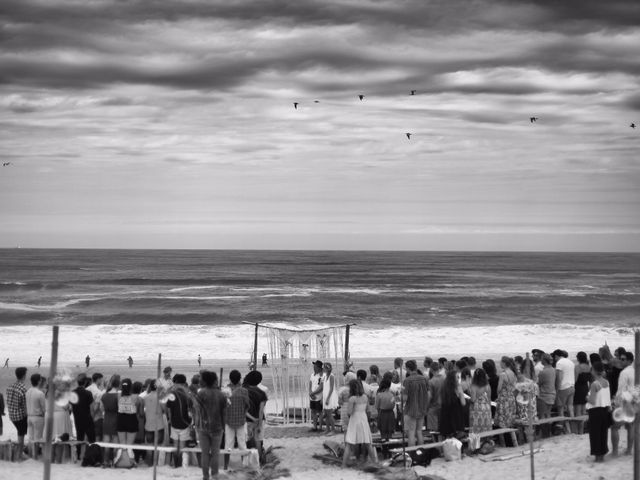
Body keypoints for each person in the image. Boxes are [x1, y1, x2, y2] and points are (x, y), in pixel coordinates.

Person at [192, 370, 226, 480]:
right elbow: (224, 414)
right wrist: (224, 427)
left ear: (205, 381)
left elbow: (197, 411)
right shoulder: (221, 394)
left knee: (205, 454)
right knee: (215, 454)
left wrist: (196, 425)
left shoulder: (201, 393)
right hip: (217, 427)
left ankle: (205, 477)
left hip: (203, 427)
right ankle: (215, 476)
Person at [342, 379, 377, 467]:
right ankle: (375, 462)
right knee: (368, 442)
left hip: (354, 420)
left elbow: (349, 412)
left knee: (349, 442)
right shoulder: (365, 397)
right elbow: (368, 410)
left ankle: (343, 465)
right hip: (363, 419)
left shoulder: (352, 399)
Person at [223, 370, 251, 469]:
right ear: (240, 379)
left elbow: (223, 406)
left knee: (228, 445)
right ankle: (245, 465)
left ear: (230, 379)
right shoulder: (244, 391)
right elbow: (247, 406)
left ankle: (226, 465)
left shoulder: (225, 391)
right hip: (241, 420)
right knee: (242, 444)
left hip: (228, 420)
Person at [165, 374, 192, 468]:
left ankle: (176, 465)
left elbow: (168, 409)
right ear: (184, 383)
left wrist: (169, 419)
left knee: (176, 447)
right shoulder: (188, 395)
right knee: (183, 448)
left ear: (175, 383)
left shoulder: (172, 394)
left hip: (174, 423)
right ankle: (182, 466)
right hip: (185, 423)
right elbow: (191, 410)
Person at [586, 361, 611, 463]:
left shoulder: (594, 384)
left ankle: (597, 457)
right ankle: (603, 455)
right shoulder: (606, 382)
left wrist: (586, 397)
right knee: (603, 433)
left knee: (595, 434)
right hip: (605, 410)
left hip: (595, 411)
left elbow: (592, 400)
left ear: (594, 371)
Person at [611, 351, 634, 457]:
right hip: (635, 402)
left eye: (623, 359)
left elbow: (620, 390)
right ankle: (629, 450)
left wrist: (616, 402)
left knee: (615, 427)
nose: (621, 361)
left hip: (625, 402)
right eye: (620, 358)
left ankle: (615, 452)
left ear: (629, 360)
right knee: (630, 426)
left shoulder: (624, 373)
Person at [402, 360, 429, 447]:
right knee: (419, 431)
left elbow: (405, 398)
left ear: (408, 368)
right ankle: (421, 452)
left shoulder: (407, 380)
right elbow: (428, 393)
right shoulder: (424, 378)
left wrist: (399, 396)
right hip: (422, 408)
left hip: (411, 409)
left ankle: (412, 453)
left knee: (411, 433)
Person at [243, 370, 267, 457]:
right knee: (258, 441)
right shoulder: (262, 393)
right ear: (259, 381)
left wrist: (252, 418)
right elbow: (261, 411)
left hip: (247, 420)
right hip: (259, 420)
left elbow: (243, 409)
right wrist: (259, 423)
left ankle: (248, 461)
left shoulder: (244, 391)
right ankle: (259, 461)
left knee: (247, 441)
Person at [6, 367, 28, 461]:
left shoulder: (10, 386)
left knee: (20, 432)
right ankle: (20, 454)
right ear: (24, 375)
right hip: (20, 416)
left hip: (11, 415)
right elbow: (24, 405)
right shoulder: (23, 388)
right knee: (21, 433)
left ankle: (20, 452)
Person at [115, 378, 138, 466]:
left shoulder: (118, 395)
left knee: (122, 445)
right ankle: (130, 462)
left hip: (121, 419)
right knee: (129, 446)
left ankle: (120, 461)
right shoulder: (135, 396)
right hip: (131, 419)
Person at [142, 380, 165, 466]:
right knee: (157, 446)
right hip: (158, 424)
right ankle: (155, 464)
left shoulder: (146, 397)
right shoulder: (160, 397)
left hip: (148, 424)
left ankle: (150, 464)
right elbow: (164, 409)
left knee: (150, 445)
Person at [72, 373, 95, 458]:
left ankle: (78, 455)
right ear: (85, 382)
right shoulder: (88, 393)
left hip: (77, 417)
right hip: (87, 417)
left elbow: (71, 406)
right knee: (91, 438)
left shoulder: (73, 393)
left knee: (79, 437)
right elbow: (92, 408)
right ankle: (92, 454)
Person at [439, 370, 466, 438]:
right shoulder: (458, 388)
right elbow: (463, 403)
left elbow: (439, 402)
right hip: (456, 416)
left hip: (445, 416)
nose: (458, 379)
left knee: (447, 437)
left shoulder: (443, 388)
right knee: (458, 436)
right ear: (453, 379)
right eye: (457, 377)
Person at [101, 374, 121, 466]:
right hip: (116, 419)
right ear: (118, 384)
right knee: (115, 442)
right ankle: (114, 461)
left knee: (106, 442)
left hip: (106, 419)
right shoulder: (118, 396)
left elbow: (102, 409)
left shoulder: (104, 395)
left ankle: (105, 461)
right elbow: (120, 409)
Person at [553, 349, 575, 429]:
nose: (554, 359)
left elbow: (559, 377)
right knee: (570, 407)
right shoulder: (570, 362)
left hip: (563, 387)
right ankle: (573, 425)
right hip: (572, 386)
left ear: (556, 356)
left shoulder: (559, 363)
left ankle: (561, 425)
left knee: (560, 407)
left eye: (554, 357)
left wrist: (557, 389)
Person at [25, 373, 46, 457]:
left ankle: (31, 454)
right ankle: (35, 455)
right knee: (38, 437)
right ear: (39, 381)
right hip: (38, 417)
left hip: (29, 416)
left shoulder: (28, 391)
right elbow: (44, 408)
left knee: (31, 437)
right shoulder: (40, 393)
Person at [495, 356, 517, 429]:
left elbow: (499, 388)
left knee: (502, 419)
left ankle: (504, 438)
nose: (500, 364)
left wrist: (498, 396)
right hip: (511, 397)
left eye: (501, 362)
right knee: (510, 418)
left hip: (503, 399)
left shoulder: (503, 374)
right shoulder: (513, 373)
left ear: (504, 363)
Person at [469, 368, 492, 435]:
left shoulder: (473, 386)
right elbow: (489, 398)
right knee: (486, 426)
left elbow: (473, 399)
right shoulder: (487, 386)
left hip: (476, 408)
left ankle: (476, 444)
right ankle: (487, 442)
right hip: (486, 407)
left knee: (475, 428)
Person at [573, 351, 591, 429]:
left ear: (578, 358)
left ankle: (578, 429)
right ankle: (582, 429)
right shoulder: (588, 367)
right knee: (583, 410)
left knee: (577, 411)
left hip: (578, 388)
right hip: (585, 388)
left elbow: (575, 379)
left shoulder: (578, 367)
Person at [536, 354, 556, 421]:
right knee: (548, 414)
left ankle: (544, 431)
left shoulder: (543, 372)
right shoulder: (553, 370)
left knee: (542, 416)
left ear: (544, 360)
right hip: (552, 394)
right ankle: (548, 430)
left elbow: (538, 383)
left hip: (544, 395)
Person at [427, 361, 445, 432]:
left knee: (433, 431)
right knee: (442, 428)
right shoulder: (444, 379)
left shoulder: (431, 381)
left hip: (434, 407)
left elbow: (430, 396)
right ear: (439, 369)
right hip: (443, 406)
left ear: (431, 370)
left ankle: (435, 442)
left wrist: (426, 407)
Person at [86, 372, 105, 441]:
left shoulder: (87, 389)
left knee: (87, 437)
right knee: (97, 437)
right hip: (96, 417)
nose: (102, 381)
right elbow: (97, 406)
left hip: (87, 415)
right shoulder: (98, 392)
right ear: (98, 379)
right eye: (101, 380)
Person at [321, 362, 339, 435]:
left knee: (329, 414)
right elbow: (323, 387)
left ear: (327, 369)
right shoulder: (324, 376)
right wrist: (323, 398)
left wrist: (328, 398)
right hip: (325, 395)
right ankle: (328, 429)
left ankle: (333, 430)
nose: (323, 369)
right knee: (326, 413)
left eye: (324, 368)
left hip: (330, 396)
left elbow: (331, 388)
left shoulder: (332, 376)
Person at [309, 360, 324, 431]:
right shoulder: (312, 375)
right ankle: (315, 426)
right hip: (312, 397)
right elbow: (310, 385)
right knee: (313, 411)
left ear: (319, 367)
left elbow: (321, 387)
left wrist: (313, 393)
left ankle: (320, 427)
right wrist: (310, 392)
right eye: (314, 366)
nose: (314, 367)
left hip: (319, 396)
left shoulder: (322, 376)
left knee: (320, 412)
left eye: (315, 366)